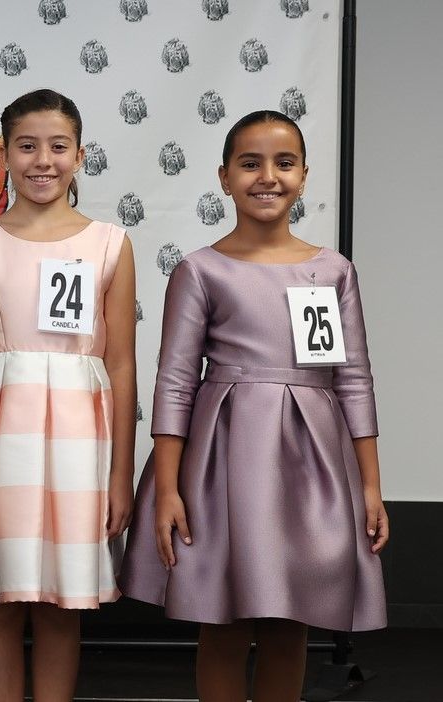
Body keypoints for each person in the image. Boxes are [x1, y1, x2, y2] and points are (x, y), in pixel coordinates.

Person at [120, 110, 389, 702]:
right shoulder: (200, 270)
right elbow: (176, 383)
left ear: (304, 175)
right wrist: (168, 489)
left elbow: (354, 381)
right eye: (250, 163)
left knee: (291, 622)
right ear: (224, 177)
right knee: (223, 623)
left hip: (311, 466)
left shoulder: (333, 271)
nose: (268, 176)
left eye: (284, 163)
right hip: (224, 464)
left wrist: (370, 485)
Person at [0, 88, 137, 702]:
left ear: (80, 155)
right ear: (5, 155)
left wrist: (121, 475)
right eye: (27, 146)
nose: (44, 160)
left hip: (78, 447)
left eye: (58, 147)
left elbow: (121, 364)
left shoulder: (111, 244)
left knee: (64, 605)